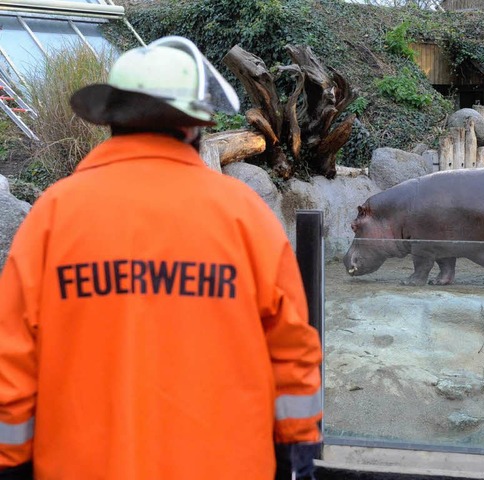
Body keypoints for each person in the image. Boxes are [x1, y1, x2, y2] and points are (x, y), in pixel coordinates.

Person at [0, 36, 322, 480]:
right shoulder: (247, 218)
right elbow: (293, 354)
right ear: (194, 125)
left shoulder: (51, 218)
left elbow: (10, 368)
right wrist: (297, 460)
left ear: (110, 120)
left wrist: (12, 466)